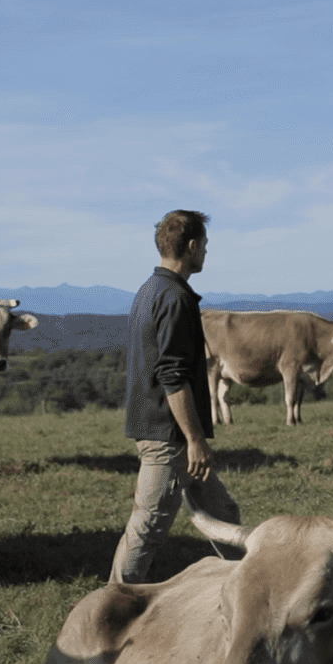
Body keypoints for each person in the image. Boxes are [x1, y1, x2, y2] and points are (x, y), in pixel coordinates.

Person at [109, 209, 241, 583]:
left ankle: (243, 590)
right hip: (168, 437)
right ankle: (112, 608)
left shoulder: (149, 290)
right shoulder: (174, 298)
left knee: (223, 513)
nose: (206, 254)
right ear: (194, 245)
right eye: (206, 246)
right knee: (147, 528)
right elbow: (173, 377)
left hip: (165, 431)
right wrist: (195, 439)